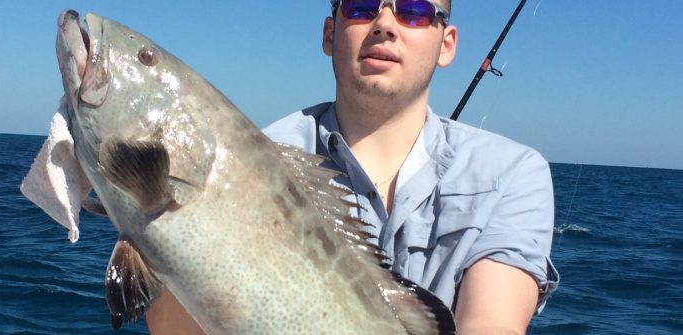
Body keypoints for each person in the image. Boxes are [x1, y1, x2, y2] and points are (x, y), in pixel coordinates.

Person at [147, 0, 559, 334]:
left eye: (413, 10)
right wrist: (157, 222)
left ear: (446, 44)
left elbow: (492, 323)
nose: (384, 23)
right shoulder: (253, 161)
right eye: (362, 7)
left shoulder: (512, 174)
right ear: (330, 34)